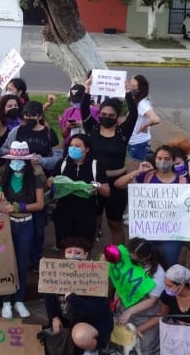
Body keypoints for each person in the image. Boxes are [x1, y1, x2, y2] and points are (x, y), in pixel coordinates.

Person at [0, 141, 45, 320]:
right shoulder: (4, 172)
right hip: (5, 225)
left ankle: (19, 300)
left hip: (25, 224)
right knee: (6, 262)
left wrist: (18, 206)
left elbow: (39, 204)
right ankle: (6, 300)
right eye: (13, 158)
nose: (17, 162)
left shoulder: (35, 177)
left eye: (20, 159)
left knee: (22, 264)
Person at [115, 145, 190, 267]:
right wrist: (137, 172)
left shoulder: (182, 182)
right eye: (159, 158)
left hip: (171, 238)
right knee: (141, 266)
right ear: (155, 159)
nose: (162, 162)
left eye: (167, 159)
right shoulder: (146, 176)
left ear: (173, 161)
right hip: (146, 233)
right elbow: (118, 184)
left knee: (167, 267)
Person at [43, 237, 114, 355]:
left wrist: (72, 298)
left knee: (80, 336)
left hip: (92, 323)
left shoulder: (95, 275)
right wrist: (54, 317)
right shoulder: (57, 271)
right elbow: (48, 295)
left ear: (86, 255)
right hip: (69, 320)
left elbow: (93, 311)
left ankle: (92, 350)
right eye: (69, 252)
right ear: (64, 254)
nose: (73, 256)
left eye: (78, 253)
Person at [78, 87, 130, 246]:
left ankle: (118, 259)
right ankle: (89, 260)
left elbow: (133, 114)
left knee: (115, 223)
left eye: (111, 115)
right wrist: (86, 90)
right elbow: (84, 109)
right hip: (95, 180)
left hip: (118, 183)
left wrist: (127, 92)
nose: (106, 118)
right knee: (93, 220)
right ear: (99, 114)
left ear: (117, 117)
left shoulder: (123, 132)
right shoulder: (92, 128)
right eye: (103, 114)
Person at [48, 134, 106, 248]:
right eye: (71, 145)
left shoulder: (95, 165)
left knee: (84, 247)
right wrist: (50, 182)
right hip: (64, 213)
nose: (73, 148)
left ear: (87, 149)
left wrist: (95, 185)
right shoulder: (62, 164)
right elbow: (49, 185)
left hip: (86, 214)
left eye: (78, 146)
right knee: (64, 247)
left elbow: (106, 191)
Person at [121, 74, 159, 161]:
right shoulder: (138, 99)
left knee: (137, 169)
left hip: (139, 144)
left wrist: (143, 126)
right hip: (135, 142)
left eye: (133, 86)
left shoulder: (142, 103)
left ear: (140, 88)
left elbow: (155, 119)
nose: (131, 88)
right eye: (131, 84)